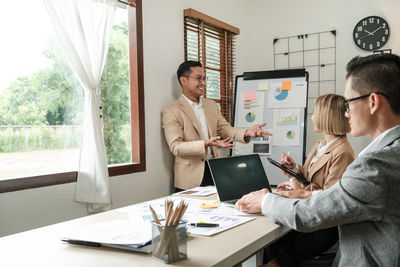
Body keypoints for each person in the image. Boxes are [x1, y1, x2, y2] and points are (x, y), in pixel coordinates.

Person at [235, 53, 400, 266]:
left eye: (348, 103)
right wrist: (296, 175)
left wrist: (265, 199)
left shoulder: (375, 165)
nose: (346, 114)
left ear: (373, 102)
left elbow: (307, 214)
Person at [264, 94, 354, 266]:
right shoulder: (322, 142)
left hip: (323, 224)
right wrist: (294, 169)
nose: (312, 117)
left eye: (315, 113)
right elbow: (308, 174)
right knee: (274, 242)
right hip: (308, 211)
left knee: (280, 247)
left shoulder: (342, 152)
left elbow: (330, 197)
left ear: (326, 117)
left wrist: (299, 190)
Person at [162, 61, 271, 191]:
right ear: (183, 80)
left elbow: (225, 129)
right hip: (189, 179)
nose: (203, 82)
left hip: (215, 172)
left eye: (204, 78)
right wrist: (205, 144)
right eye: (199, 78)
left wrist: (247, 132)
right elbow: (176, 147)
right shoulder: (171, 111)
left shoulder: (211, 105)